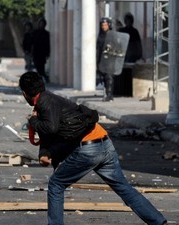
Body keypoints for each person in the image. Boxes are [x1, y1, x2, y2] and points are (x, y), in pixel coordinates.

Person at [19, 71, 167, 225]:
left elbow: (50, 128)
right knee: (123, 187)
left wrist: (33, 121)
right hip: (104, 143)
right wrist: (45, 152)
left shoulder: (43, 103)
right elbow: (54, 133)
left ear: (24, 93)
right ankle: (158, 221)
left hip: (88, 149)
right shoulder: (54, 99)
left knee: (56, 184)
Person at [97, 17, 114, 101]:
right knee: (103, 77)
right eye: (102, 25)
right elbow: (98, 49)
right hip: (102, 59)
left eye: (105, 25)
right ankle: (107, 93)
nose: (104, 27)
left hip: (110, 59)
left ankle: (110, 95)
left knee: (109, 77)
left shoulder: (112, 35)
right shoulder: (100, 35)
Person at [32, 18, 50, 82]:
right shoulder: (35, 32)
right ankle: (42, 77)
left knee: (41, 67)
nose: (41, 25)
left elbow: (48, 44)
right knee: (37, 66)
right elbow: (32, 42)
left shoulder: (46, 34)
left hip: (43, 53)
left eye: (43, 24)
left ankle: (44, 77)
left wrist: (47, 53)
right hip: (36, 52)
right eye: (40, 24)